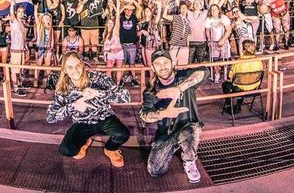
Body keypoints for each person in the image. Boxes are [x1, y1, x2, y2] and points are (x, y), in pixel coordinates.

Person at [47, 51, 131, 167]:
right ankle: (84, 141)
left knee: (122, 134)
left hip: (104, 118)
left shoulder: (97, 77)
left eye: (78, 66)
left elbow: (125, 96)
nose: (75, 70)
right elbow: (51, 116)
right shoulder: (63, 88)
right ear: (65, 70)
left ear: (82, 65)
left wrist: (98, 93)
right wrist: (73, 106)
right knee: (67, 150)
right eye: (70, 67)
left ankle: (110, 149)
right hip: (82, 123)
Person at [140, 49, 209, 183]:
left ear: (172, 64)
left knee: (192, 130)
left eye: (166, 62)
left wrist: (179, 89)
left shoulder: (183, 77)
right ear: (153, 67)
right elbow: (144, 115)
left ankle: (189, 160)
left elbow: (204, 71)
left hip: (187, 126)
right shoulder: (151, 91)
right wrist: (164, 113)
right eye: (158, 64)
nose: (163, 67)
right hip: (166, 134)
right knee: (155, 170)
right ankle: (175, 146)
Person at [221, 39, 263, 114]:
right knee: (240, 83)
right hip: (254, 88)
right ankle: (238, 105)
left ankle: (229, 103)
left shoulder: (238, 62)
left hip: (240, 89)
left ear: (243, 50)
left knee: (225, 84)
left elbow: (230, 77)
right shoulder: (259, 61)